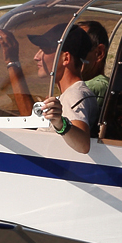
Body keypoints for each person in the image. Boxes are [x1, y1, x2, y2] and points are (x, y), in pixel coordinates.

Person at [27, 23, 98, 154]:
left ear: (66, 58)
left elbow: (83, 145)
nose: (36, 56)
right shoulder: (71, 94)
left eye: (45, 50)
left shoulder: (75, 95)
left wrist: (60, 123)